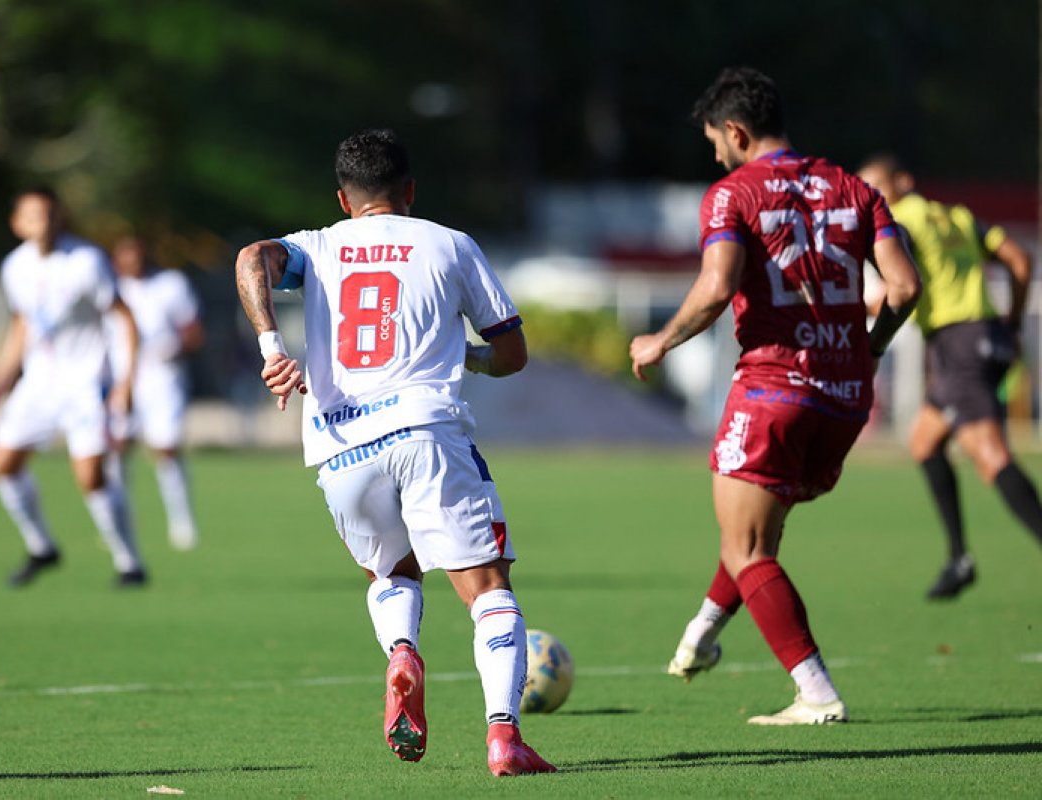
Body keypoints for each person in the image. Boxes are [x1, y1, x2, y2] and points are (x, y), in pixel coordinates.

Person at [234, 129, 555, 776]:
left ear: (344, 200)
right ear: (409, 191)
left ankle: (403, 649)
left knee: (392, 573)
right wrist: (460, 352)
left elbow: (249, 259)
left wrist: (272, 348)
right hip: (426, 432)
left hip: (341, 450)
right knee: (488, 588)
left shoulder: (318, 247)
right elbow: (513, 354)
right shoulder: (449, 243)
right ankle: (503, 737)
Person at [630, 67, 921, 724]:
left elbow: (714, 286)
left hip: (773, 391)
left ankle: (815, 692)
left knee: (749, 546)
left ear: (736, 131)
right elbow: (904, 288)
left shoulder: (733, 194)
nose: (715, 155)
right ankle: (702, 633)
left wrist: (659, 342)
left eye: (715, 142)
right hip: (846, 396)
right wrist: (871, 349)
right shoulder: (857, 188)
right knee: (753, 533)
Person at [857, 155, 1041, 600]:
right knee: (925, 440)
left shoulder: (901, 221)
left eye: (876, 188)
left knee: (991, 455)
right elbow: (1019, 259)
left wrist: (850, 306)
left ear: (903, 182)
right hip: (985, 337)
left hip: (959, 345)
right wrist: (1012, 323)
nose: (873, 199)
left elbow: (899, 290)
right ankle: (959, 559)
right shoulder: (957, 216)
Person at [0, 188, 148, 588]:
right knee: (3, 463)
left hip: (84, 383)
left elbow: (124, 318)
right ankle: (41, 547)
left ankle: (129, 562)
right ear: (18, 224)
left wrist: (125, 380)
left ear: (60, 218)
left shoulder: (86, 261)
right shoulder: (15, 266)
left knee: (90, 477)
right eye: (34, 215)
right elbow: (23, 324)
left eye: (50, 214)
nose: (44, 222)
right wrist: (1, 372)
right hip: (38, 383)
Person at [107, 236, 206, 551]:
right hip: (122, 376)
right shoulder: (108, 288)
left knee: (165, 447)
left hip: (162, 377)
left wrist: (174, 347)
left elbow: (193, 330)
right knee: (118, 448)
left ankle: (181, 520)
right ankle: (121, 521)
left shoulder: (170, 284)